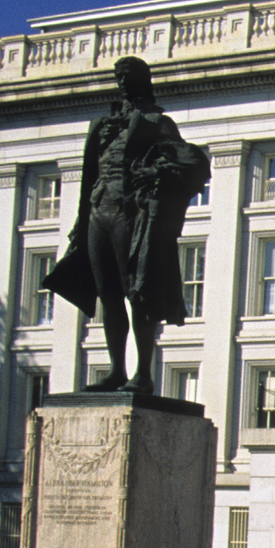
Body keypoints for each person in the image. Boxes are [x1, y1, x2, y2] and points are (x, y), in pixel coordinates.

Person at [45, 57, 211, 397]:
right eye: (118, 76)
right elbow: (89, 176)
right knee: (108, 295)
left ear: (141, 81)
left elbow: (192, 162)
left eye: (128, 77)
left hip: (129, 213)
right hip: (97, 211)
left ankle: (142, 374)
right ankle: (116, 370)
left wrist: (157, 173)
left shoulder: (156, 122)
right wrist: (80, 221)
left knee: (137, 290)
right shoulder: (101, 125)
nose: (121, 82)